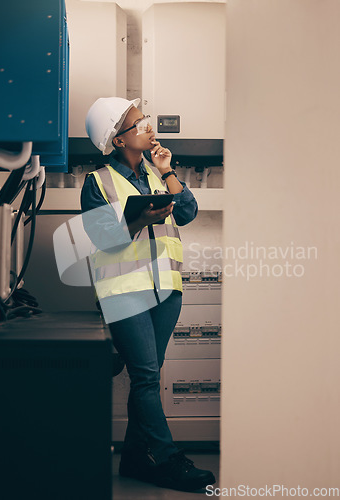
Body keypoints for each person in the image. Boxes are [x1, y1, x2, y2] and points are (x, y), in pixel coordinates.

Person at [81, 97, 216, 492]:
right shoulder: (99, 183)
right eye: (140, 124)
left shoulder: (158, 176)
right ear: (119, 139)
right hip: (125, 291)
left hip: (166, 290)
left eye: (146, 120)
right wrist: (140, 218)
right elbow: (102, 239)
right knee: (143, 377)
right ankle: (169, 459)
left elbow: (187, 212)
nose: (149, 127)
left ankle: (137, 458)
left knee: (148, 374)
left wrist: (167, 169)